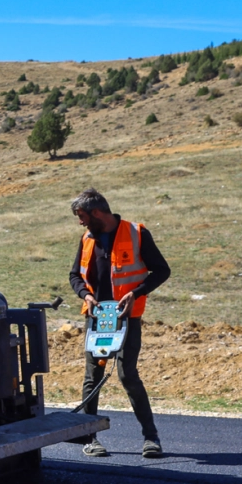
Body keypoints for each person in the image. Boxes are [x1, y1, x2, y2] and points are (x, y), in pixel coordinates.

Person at [68, 189, 171, 459]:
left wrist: (135, 293)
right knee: (93, 377)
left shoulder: (137, 233)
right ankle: (90, 438)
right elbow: (75, 276)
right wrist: (86, 295)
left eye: (82, 216)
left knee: (128, 375)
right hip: (97, 317)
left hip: (127, 318)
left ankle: (151, 438)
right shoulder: (87, 238)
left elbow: (162, 270)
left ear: (97, 213)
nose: (81, 222)